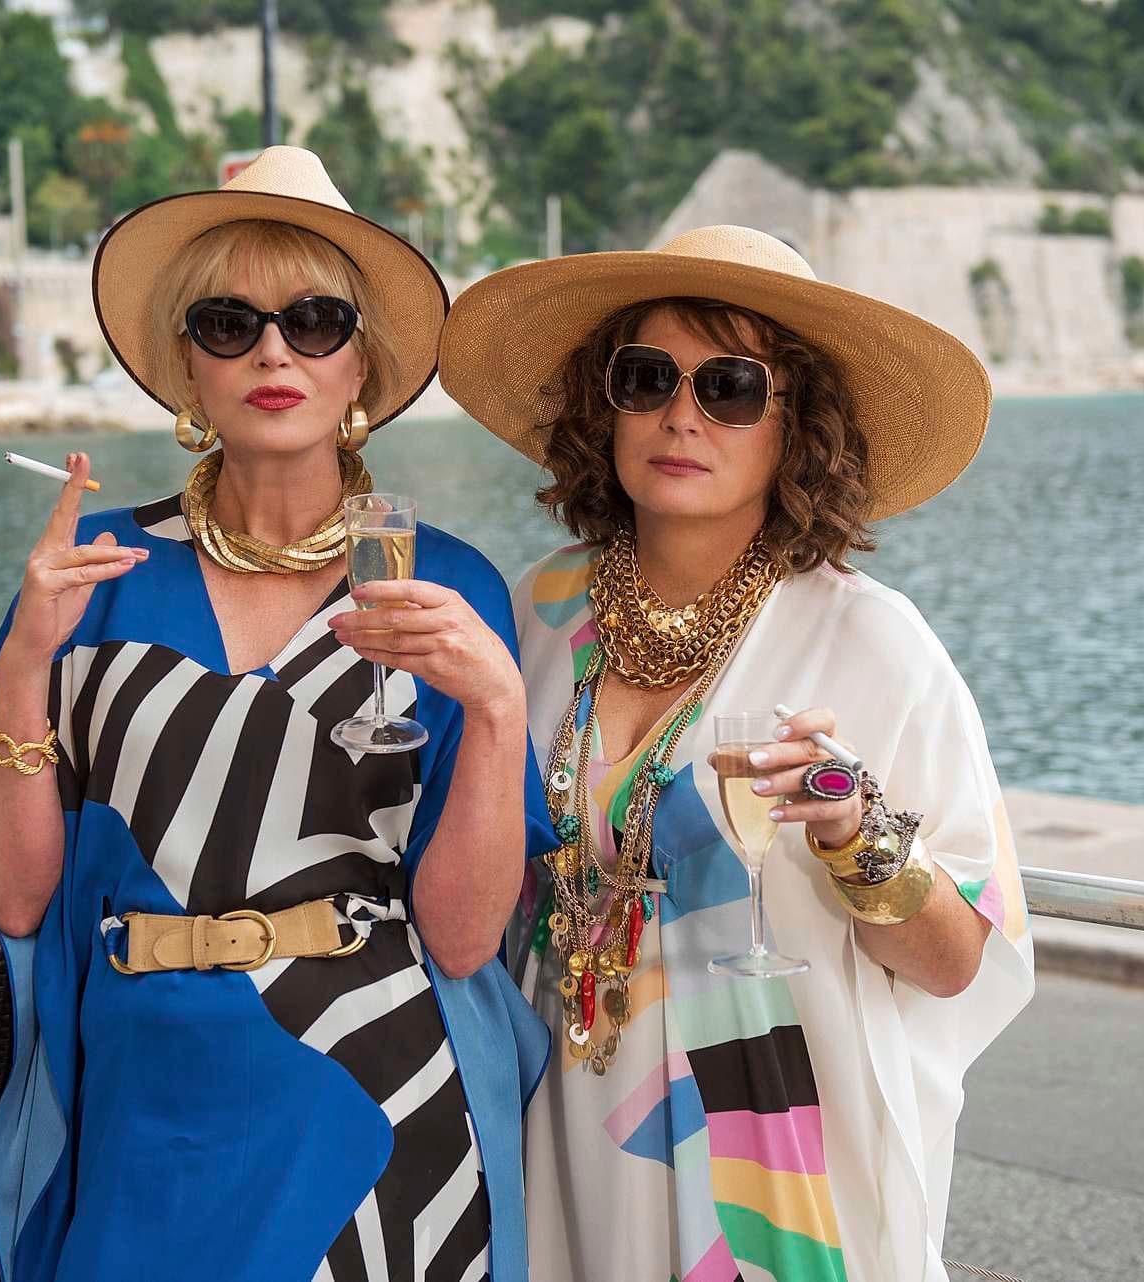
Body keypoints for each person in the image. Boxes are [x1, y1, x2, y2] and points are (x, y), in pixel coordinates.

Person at [0, 148, 551, 1282]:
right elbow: (15, 898)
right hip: (145, 1104)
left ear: (360, 361)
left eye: (315, 321)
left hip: (379, 1110)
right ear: (188, 364)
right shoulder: (92, 575)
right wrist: (25, 666)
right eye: (230, 324)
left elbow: (467, 939)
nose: (275, 352)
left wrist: (501, 708)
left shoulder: (444, 585)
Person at [438, 225, 1036, 1282]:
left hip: (765, 1158)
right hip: (559, 1128)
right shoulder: (536, 610)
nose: (682, 415)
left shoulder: (871, 642)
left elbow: (956, 964)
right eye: (647, 378)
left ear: (796, 427)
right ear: (604, 405)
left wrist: (855, 830)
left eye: (731, 388)